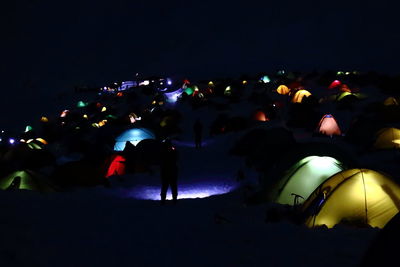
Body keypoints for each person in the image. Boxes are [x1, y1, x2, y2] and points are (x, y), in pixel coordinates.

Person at [160, 139, 178, 204]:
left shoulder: (163, 151)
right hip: (172, 170)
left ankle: (163, 200)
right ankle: (174, 199)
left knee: (165, 186)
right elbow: (176, 158)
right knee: (173, 186)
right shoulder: (172, 150)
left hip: (166, 171)